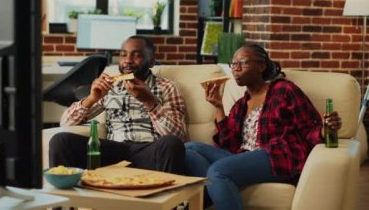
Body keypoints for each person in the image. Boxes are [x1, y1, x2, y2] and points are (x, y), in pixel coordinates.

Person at [185, 44, 342, 209]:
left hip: (277, 156)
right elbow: (229, 145)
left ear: (261, 65)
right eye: (233, 64)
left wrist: (325, 131)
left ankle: (214, 188)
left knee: (217, 171)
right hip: (244, 157)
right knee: (188, 148)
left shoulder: (284, 90)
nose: (236, 68)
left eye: (243, 62)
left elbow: (309, 127)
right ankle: (213, 193)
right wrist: (218, 107)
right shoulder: (240, 105)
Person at [49, 35, 188, 175]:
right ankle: (68, 197)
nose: (128, 61)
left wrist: (150, 101)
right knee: (60, 141)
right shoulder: (111, 86)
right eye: (123, 55)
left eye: (137, 55)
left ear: (151, 61)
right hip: (114, 151)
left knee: (171, 144)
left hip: (148, 151)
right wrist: (91, 99)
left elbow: (178, 136)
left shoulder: (167, 87)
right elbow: (66, 123)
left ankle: (167, 195)